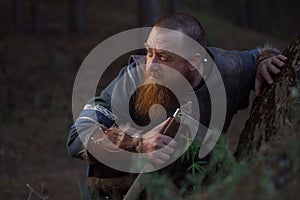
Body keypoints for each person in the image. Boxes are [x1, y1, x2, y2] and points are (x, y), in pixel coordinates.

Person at [67, 13, 287, 199]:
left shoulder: (229, 70)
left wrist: (266, 61)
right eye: (149, 52)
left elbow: (259, 56)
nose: (150, 64)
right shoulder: (132, 80)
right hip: (125, 189)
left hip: (193, 185)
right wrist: (137, 143)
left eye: (163, 57)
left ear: (194, 61)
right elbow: (77, 137)